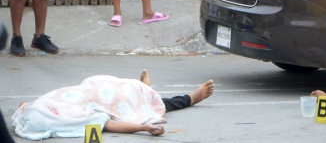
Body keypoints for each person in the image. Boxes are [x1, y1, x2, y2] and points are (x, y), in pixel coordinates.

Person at [11, 69, 214, 140]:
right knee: (145, 107)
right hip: (114, 101)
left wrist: (29, 106)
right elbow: (108, 125)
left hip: (97, 87)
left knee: (127, 89)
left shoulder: (43, 103)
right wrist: (143, 127)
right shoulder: (78, 121)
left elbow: (25, 105)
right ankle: (190, 98)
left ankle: (142, 88)